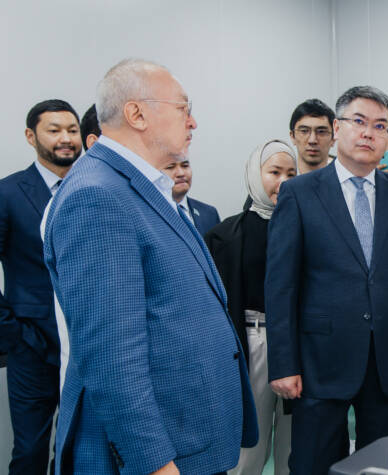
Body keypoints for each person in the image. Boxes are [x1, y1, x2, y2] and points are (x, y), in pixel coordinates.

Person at [42, 59, 258, 475]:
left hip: (186, 433)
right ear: (136, 114)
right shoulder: (97, 197)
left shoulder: (138, 185)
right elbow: (111, 356)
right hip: (156, 452)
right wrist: (153, 463)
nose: (192, 122)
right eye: (183, 108)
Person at [264, 86, 388, 474]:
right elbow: (281, 286)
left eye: (380, 126)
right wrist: (283, 363)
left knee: (383, 464)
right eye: (359, 121)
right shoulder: (299, 193)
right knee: (312, 463)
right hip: (319, 360)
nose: (368, 133)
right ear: (337, 128)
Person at [206, 139, 297, 475]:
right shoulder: (225, 234)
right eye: (274, 172)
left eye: (291, 174)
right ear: (255, 175)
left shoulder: (306, 228)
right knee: (248, 445)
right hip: (250, 341)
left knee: (294, 445)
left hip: (296, 342)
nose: (283, 181)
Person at [0, 99, 81, 475]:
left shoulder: (93, 189)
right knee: (30, 449)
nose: (66, 138)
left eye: (72, 130)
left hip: (85, 342)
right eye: (54, 130)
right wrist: (11, 333)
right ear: (31, 136)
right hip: (31, 343)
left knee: (77, 446)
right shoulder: (8, 193)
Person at [160, 159, 220, 236]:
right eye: (170, 167)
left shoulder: (209, 213)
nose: (181, 173)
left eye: (185, 166)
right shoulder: (149, 214)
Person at [289, 99, 336, 174]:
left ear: (333, 138)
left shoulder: (345, 177)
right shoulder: (282, 179)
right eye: (304, 131)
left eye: (321, 132)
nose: (312, 140)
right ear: (292, 137)